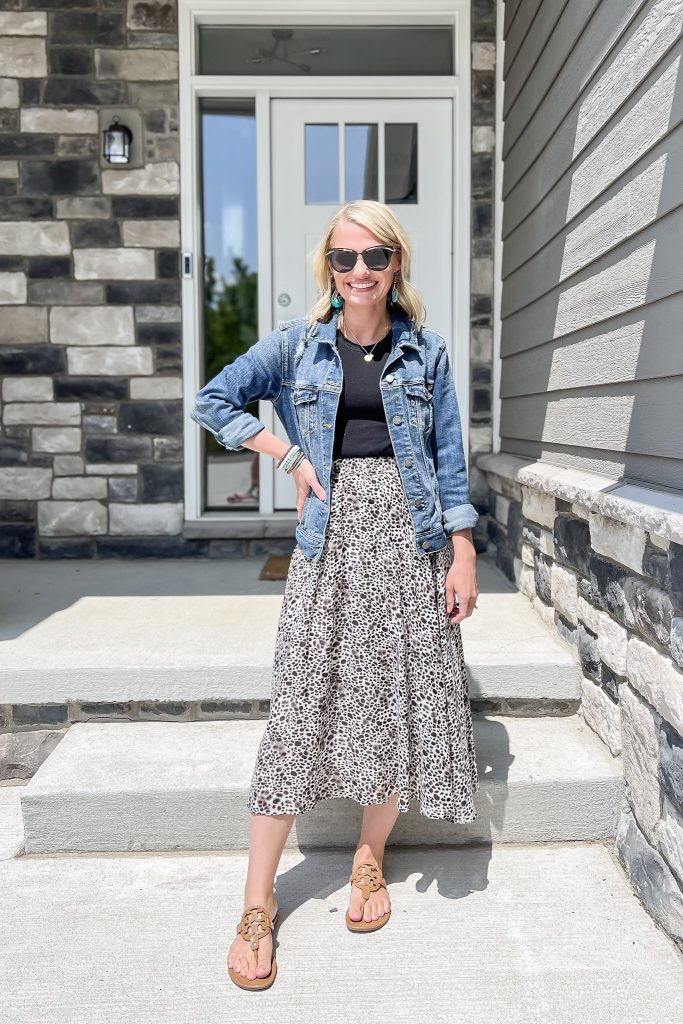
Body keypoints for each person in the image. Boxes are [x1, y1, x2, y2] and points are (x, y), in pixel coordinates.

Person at [191, 199, 480, 991]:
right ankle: (257, 904)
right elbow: (212, 402)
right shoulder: (295, 346)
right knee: (298, 708)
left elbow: (449, 462)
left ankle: (367, 859)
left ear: (396, 266)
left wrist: (461, 552)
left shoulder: (425, 353)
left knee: (386, 701)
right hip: (330, 542)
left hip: (410, 542)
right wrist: (285, 455)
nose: (359, 272)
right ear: (329, 267)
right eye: (344, 259)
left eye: (374, 258)